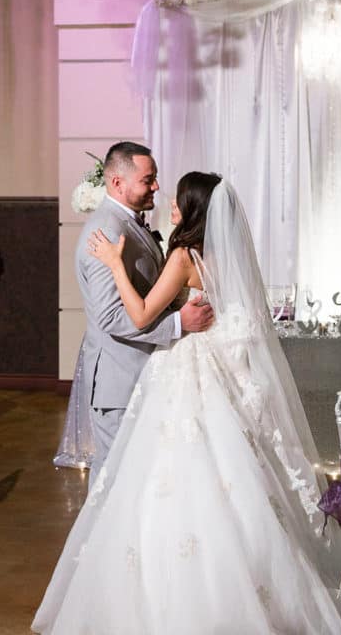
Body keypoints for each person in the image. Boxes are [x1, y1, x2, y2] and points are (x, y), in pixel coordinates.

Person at [32, 172, 341, 635]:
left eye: (180, 201)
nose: (171, 205)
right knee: (233, 481)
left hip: (184, 378)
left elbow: (141, 315)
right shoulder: (230, 260)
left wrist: (117, 264)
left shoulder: (185, 257)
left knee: (163, 484)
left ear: (195, 210)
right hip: (220, 382)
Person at [74, 142, 213, 486]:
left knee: (141, 483)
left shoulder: (130, 223)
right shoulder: (106, 231)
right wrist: (179, 323)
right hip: (119, 381)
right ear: (118, 183)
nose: (156, 187)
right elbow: (109, 316)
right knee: (115, 480)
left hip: (146, 375)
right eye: (148, 179)